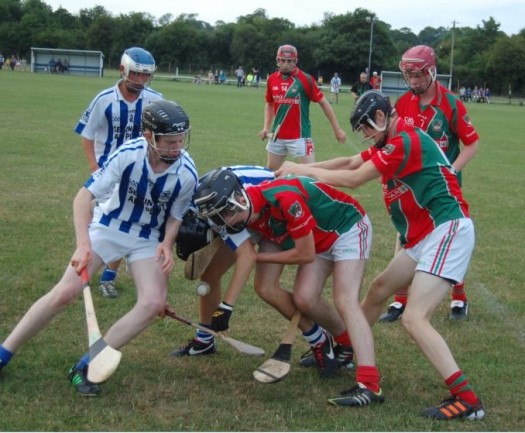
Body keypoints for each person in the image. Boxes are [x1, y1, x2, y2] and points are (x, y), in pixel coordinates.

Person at [276, 90, 485, 420]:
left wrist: (303, 173)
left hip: (447, 228)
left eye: (367, 127)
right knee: (377, 291)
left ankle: (467, 399)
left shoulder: (405, 141)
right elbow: (347, 162)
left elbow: (355, 178)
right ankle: (347, 349)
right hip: (425, 235)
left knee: (414, 318)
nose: (366, 135)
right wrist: (302, 167)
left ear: (382, 117)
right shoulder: (390, 140)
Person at [0, 99, 198, 396]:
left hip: (147, 238)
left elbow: (175, 216)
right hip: (109, 226)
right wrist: (83, 246)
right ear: (149, 136)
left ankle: (86, 364)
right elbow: (83, 198)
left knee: (153, 303)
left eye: (181, 141)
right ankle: (4, 354)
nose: (177, 148)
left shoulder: (186, 173)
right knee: (65, 293)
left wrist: (167, 245)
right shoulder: (127, 155)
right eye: (170, 142)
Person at [194, 169, 383, 402]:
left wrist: (257, 258)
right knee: (304, 298)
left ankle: (370, 384)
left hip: (346, 228)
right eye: (217, 216)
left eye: (224, 213)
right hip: (316, 240)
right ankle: (344, 345)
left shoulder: (285, 199)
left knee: (345, 300)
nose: (222, 221)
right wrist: (226, 306)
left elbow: (305, 254)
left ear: (240, 200)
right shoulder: (245, 212)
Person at [172, 166, 355, 378]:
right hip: (236, 214)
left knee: (266, 288)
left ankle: (319, 341)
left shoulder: (223, 204)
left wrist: (226, 307)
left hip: (268, 214)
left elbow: (247, 255)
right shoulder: (202, 208)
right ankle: (205, 340)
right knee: (210, 275)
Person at [379, 44, 480, 323]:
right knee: (405, 236)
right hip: (411, 188)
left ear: (432, 71)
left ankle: (459, 297)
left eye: (419, 75)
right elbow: (392, 141)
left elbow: (472, 144)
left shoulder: (450, 104)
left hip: (443, 190)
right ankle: (400, 300)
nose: (413, 81)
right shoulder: (402, 104)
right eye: (409, 75)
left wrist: (451, 168)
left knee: (450, 242)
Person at [74, 47, 163, 298]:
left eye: (145, 76)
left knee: (126, 223)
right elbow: (87, 135)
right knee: (97, 222)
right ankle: (87, 266)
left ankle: (108, 277)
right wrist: (94, 167)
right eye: (135, 74)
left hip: (139, 173)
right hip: (108, 172)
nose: (140, 80)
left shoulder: (155, 100)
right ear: (123, 70)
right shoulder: (104, 99)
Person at [259, 44, 347, 171]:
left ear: (296, 61)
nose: (285, 64)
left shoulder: (306, 80)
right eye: (282, 60)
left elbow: (324, 103)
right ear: (277, 60)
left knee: (309, 175)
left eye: (290, 61)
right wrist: (266, 127)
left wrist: (337, 129)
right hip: (277, 136)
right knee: (271, 173)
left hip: (300, 137)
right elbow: (269, 103)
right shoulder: (272, 79)